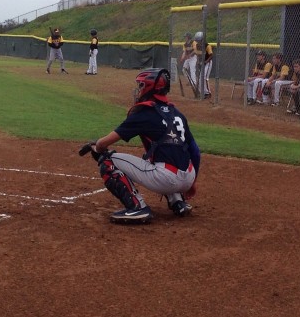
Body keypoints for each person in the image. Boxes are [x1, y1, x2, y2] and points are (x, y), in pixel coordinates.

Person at [81, 68, 200, 224]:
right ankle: (178, 202)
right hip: (188, 176)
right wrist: (191, 183)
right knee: (155, 156)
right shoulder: (177, 113)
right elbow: (195, 152)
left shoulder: (144, 112)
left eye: (141, 85)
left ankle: (137, 207)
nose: (139, 90)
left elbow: (105, 143)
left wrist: (97, 148)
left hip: (167, 179)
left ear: (151, 87)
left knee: (108, 161)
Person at [195, 31, 213, 99]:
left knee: (204, 78)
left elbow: (211, 55)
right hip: (201, 63)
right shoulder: (197, 46)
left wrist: (205, 62)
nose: (198, 42)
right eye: (197, 41)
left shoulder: (207, 46)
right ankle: (202, 92)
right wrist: (198, 62)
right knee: (200, 79)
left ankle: (208, 93)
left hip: (208, 63)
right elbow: (198, 55)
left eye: (199, 40)